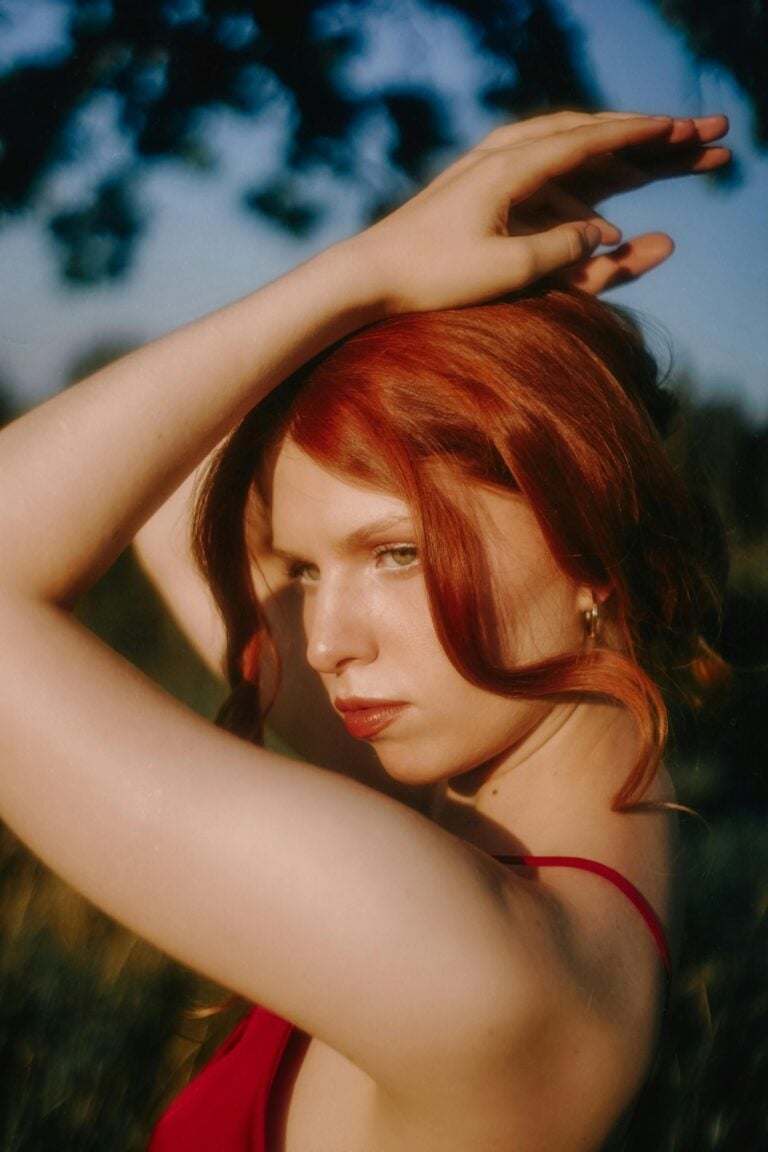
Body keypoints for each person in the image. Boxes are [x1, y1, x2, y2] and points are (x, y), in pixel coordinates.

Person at [0, 111, 731, 1152]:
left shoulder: (466, 963)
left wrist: (375, 272)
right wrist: (436, 317)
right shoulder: (499, 834)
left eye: (396, 553)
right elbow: (177, 498)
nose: (326, 639)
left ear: (591, 541)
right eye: (303, 569)